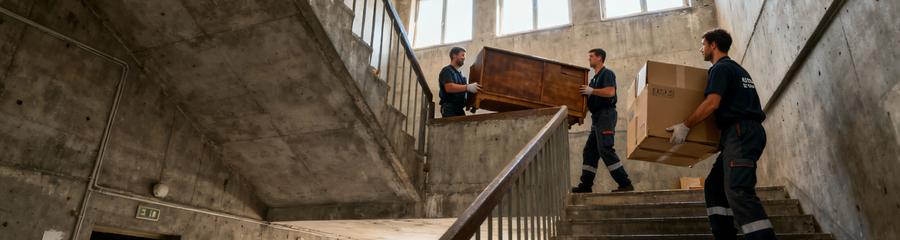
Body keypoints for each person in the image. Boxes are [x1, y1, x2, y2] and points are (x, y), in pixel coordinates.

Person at [666, 28, 776, 239]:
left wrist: (686, 125)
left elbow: (712, 103)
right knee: (715, 187)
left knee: (739, 191)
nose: (701, 49)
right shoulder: (738, 70)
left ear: (713, 44)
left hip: (740, 133)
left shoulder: (720, 69)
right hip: (743, 133)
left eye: (703, 44)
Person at [572, 48, 634, 193]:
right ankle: (586, 186)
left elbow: (610, 92)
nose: (589, 59)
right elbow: (590, 102)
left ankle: (625, 184)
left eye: (591, 56)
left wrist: (592, 91)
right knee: (590, 151)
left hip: (606, 115)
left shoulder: (607, 73)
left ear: (600, 57)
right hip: (597, 118)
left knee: (605, 149)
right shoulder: (594, 80)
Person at [438, 47, 481, 117]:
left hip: (459, 109)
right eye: (462, 55)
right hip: (449, 108)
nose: (464, 58)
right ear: (454, 55)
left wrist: (472, 103)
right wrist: (468, 87)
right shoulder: (447, 70)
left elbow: (463, 91)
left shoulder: (461, 75)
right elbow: (449, 87)